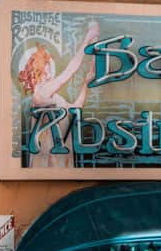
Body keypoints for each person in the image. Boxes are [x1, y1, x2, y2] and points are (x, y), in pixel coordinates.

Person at [19, 20, 100, 169]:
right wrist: (88, 39)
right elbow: (70, 70)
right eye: (48, 65)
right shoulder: (40, 93)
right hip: (50, 162)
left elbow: (76, 108)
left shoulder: (54, 98)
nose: (51, 70)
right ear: (40, 69)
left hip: (61, 160)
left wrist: (86, 84)